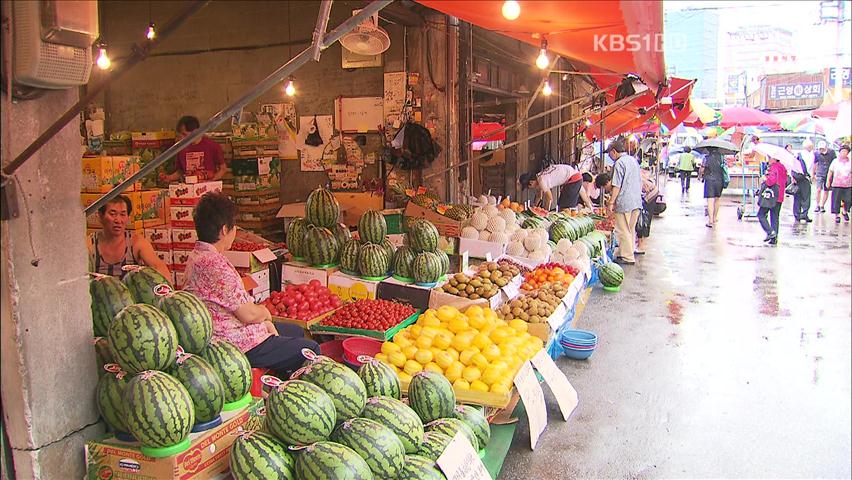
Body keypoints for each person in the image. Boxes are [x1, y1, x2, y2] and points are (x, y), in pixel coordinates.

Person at [184, 192, 319, 376]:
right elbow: (248, 314)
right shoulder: (215, 265)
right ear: (224, 230)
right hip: (236, 342)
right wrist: (265, 316)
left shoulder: (196, 256)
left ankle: (275, 383)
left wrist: (264, 323)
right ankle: (291, 395)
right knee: (310, 350)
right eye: (234, 227)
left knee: (294, 330)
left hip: (223, 332)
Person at [87, 195, 171, 280]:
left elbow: (158, 266)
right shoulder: (89, 244)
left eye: (123, 214)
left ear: (128, 217)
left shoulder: (136, 242)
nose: (118, 220)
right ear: (100, 216)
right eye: (112, 214)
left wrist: (167, 290)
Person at [605, 138, 643, 265]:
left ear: (614, 151)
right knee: (630, 229)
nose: (610, 156)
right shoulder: (633, 160)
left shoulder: (619, 163)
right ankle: (628, 252)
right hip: (636, 200)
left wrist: (611, 202)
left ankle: (627, 257)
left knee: (623, 230)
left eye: (609, 153)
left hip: (625, 201)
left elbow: (617, 185)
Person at [160, 116, 226, 183]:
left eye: (184, 134)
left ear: (195, 131)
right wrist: (169, 177)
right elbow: (180, 172)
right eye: (180, 135)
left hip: (208, 189)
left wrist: (210, 181)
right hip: (189, 188)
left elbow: (222, 169)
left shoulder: (212, 146)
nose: (182, 138)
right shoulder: (181, 148)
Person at [520, 163, 594, 210]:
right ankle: (590, 209)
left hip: (572, 179)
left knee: (564, 209)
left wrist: (546, 212)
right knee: (562, 205)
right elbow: (539, 196)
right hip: (576, 177)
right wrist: (534, 208)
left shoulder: (541, 180)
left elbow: (549, 198)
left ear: (531, 182)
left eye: (528, 187)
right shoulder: (539, 176)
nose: (530, 188)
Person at [757, 154, 787, 245]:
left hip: (771, 196)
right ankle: (774, 238)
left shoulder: (773, 167)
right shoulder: (783, 167)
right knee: (775, 217)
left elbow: (771, 181)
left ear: (774, 159)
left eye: (770, 158)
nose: (768, 159)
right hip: (780, 195)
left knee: (761, 214)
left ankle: (770, 232)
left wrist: (765, 179)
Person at [699, 149, 726, 228]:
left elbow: (702, 169)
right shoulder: (722, 158)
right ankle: (714, 218)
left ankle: (710, 220)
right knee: (717, 199)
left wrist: (700, 175)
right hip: (719, 180)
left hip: (709, 180)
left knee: (710, 200)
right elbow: (725, 168)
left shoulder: (706, 158)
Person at [826, 144, 851, 223]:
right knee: (836, 200)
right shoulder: (835, 161)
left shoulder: (850, 161)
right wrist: (828, 181)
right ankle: (837, 215)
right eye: (842, 151)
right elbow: (830, 171)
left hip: (848, 184)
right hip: (837, 184)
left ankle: (845, 211)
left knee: (848, 200)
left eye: (845, 151)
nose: (844, 153)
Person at [791, 139, 814, 223]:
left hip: (797, 177)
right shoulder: (811, 155)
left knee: (797, 197)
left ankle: (797, 214)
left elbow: (792, 166)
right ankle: (804, 214)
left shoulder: (798, 154)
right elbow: (811, 167)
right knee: (806, 197)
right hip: (805, 178)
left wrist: (793, 177)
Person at [813, 141, 837, 213]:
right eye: (820, 149)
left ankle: (822, 205)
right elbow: (815, 163)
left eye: (823, 149)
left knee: (826, 190)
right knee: (818, 189)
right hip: (820, 173)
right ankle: (817, 205)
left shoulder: (831, 152)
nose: (821, 150)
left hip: (829, 173)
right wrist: (813, 174)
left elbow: (835, 162)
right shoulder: (816, 153)